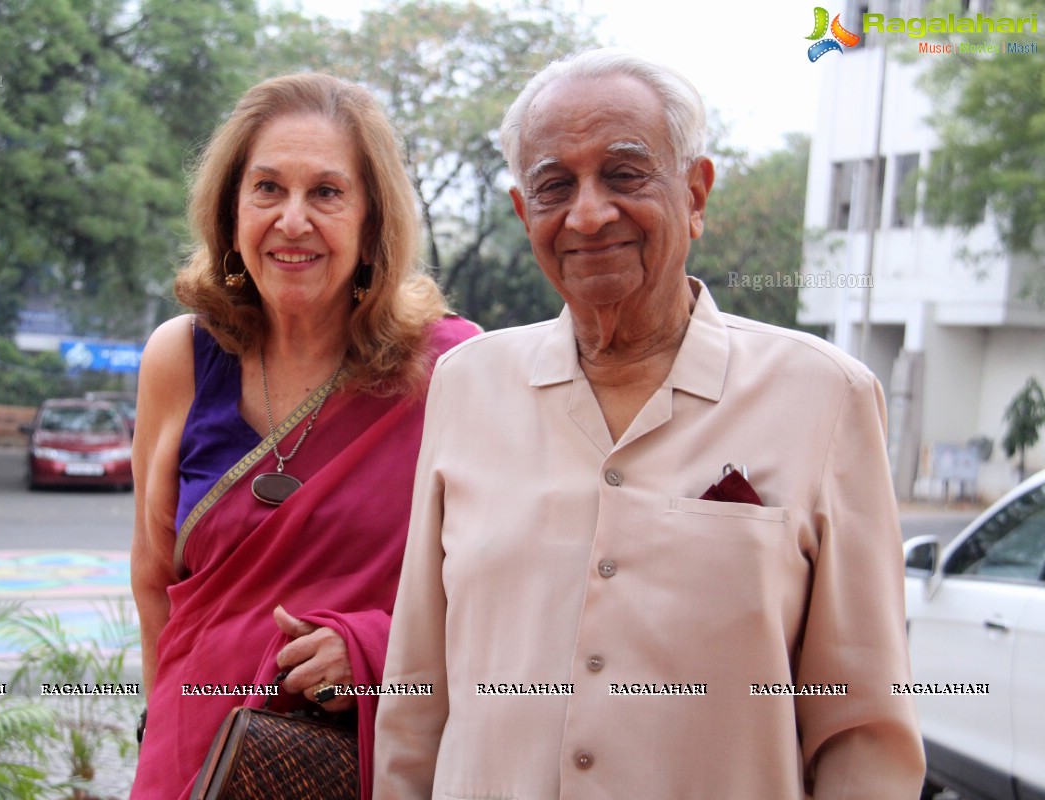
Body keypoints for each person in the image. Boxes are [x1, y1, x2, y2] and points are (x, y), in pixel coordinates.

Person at [373, 48, 926, 799]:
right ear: (522, 213)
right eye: (554, 185)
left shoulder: (823, 397)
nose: (589, 213)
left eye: (625, 174)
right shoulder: (468, 385)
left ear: (695, 193)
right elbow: (417, 695)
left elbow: (863, 729)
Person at [129, 72, 479, 799]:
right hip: (192, 759)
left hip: (361, 765)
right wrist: (165, 730)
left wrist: (373, 649)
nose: (293, 221)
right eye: (267, 189)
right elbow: (155, 581)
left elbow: (499, 594)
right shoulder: (180, 358)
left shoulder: (452, 369)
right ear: (230, 211)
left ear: (372, 220)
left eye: (326, 192)